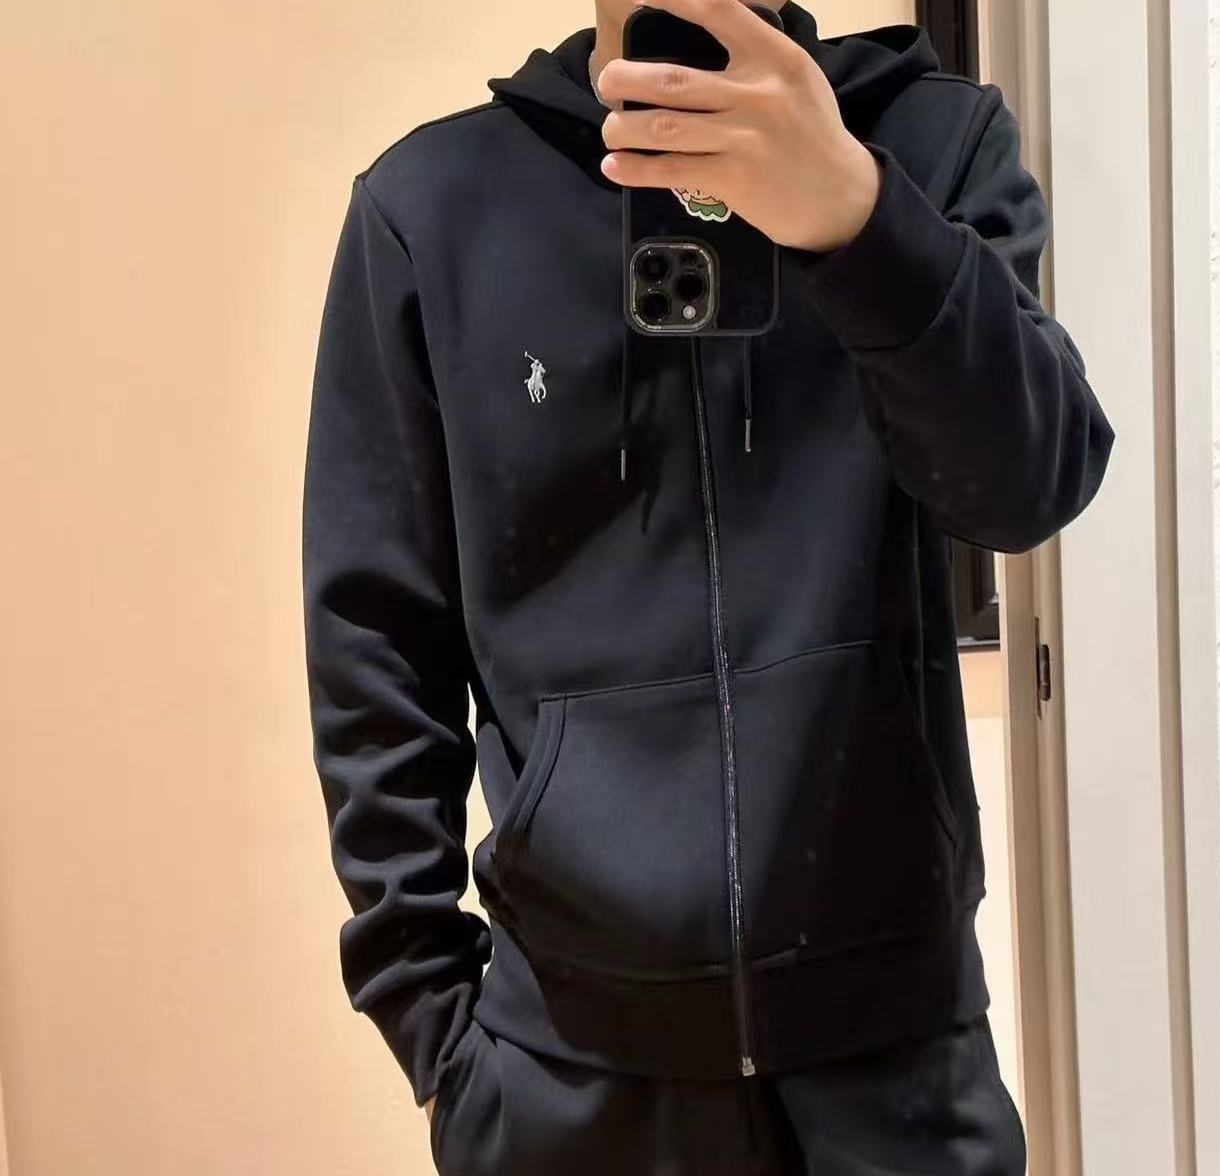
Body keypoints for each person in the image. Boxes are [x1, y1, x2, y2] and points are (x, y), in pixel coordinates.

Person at [300, 0, 1114, 1171]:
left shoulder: (929, 149)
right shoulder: (432, 212)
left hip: (899, 1079)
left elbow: (1029, 484)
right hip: (569, 1089)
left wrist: (859, 222)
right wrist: (434, 1034)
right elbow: (375, 648)